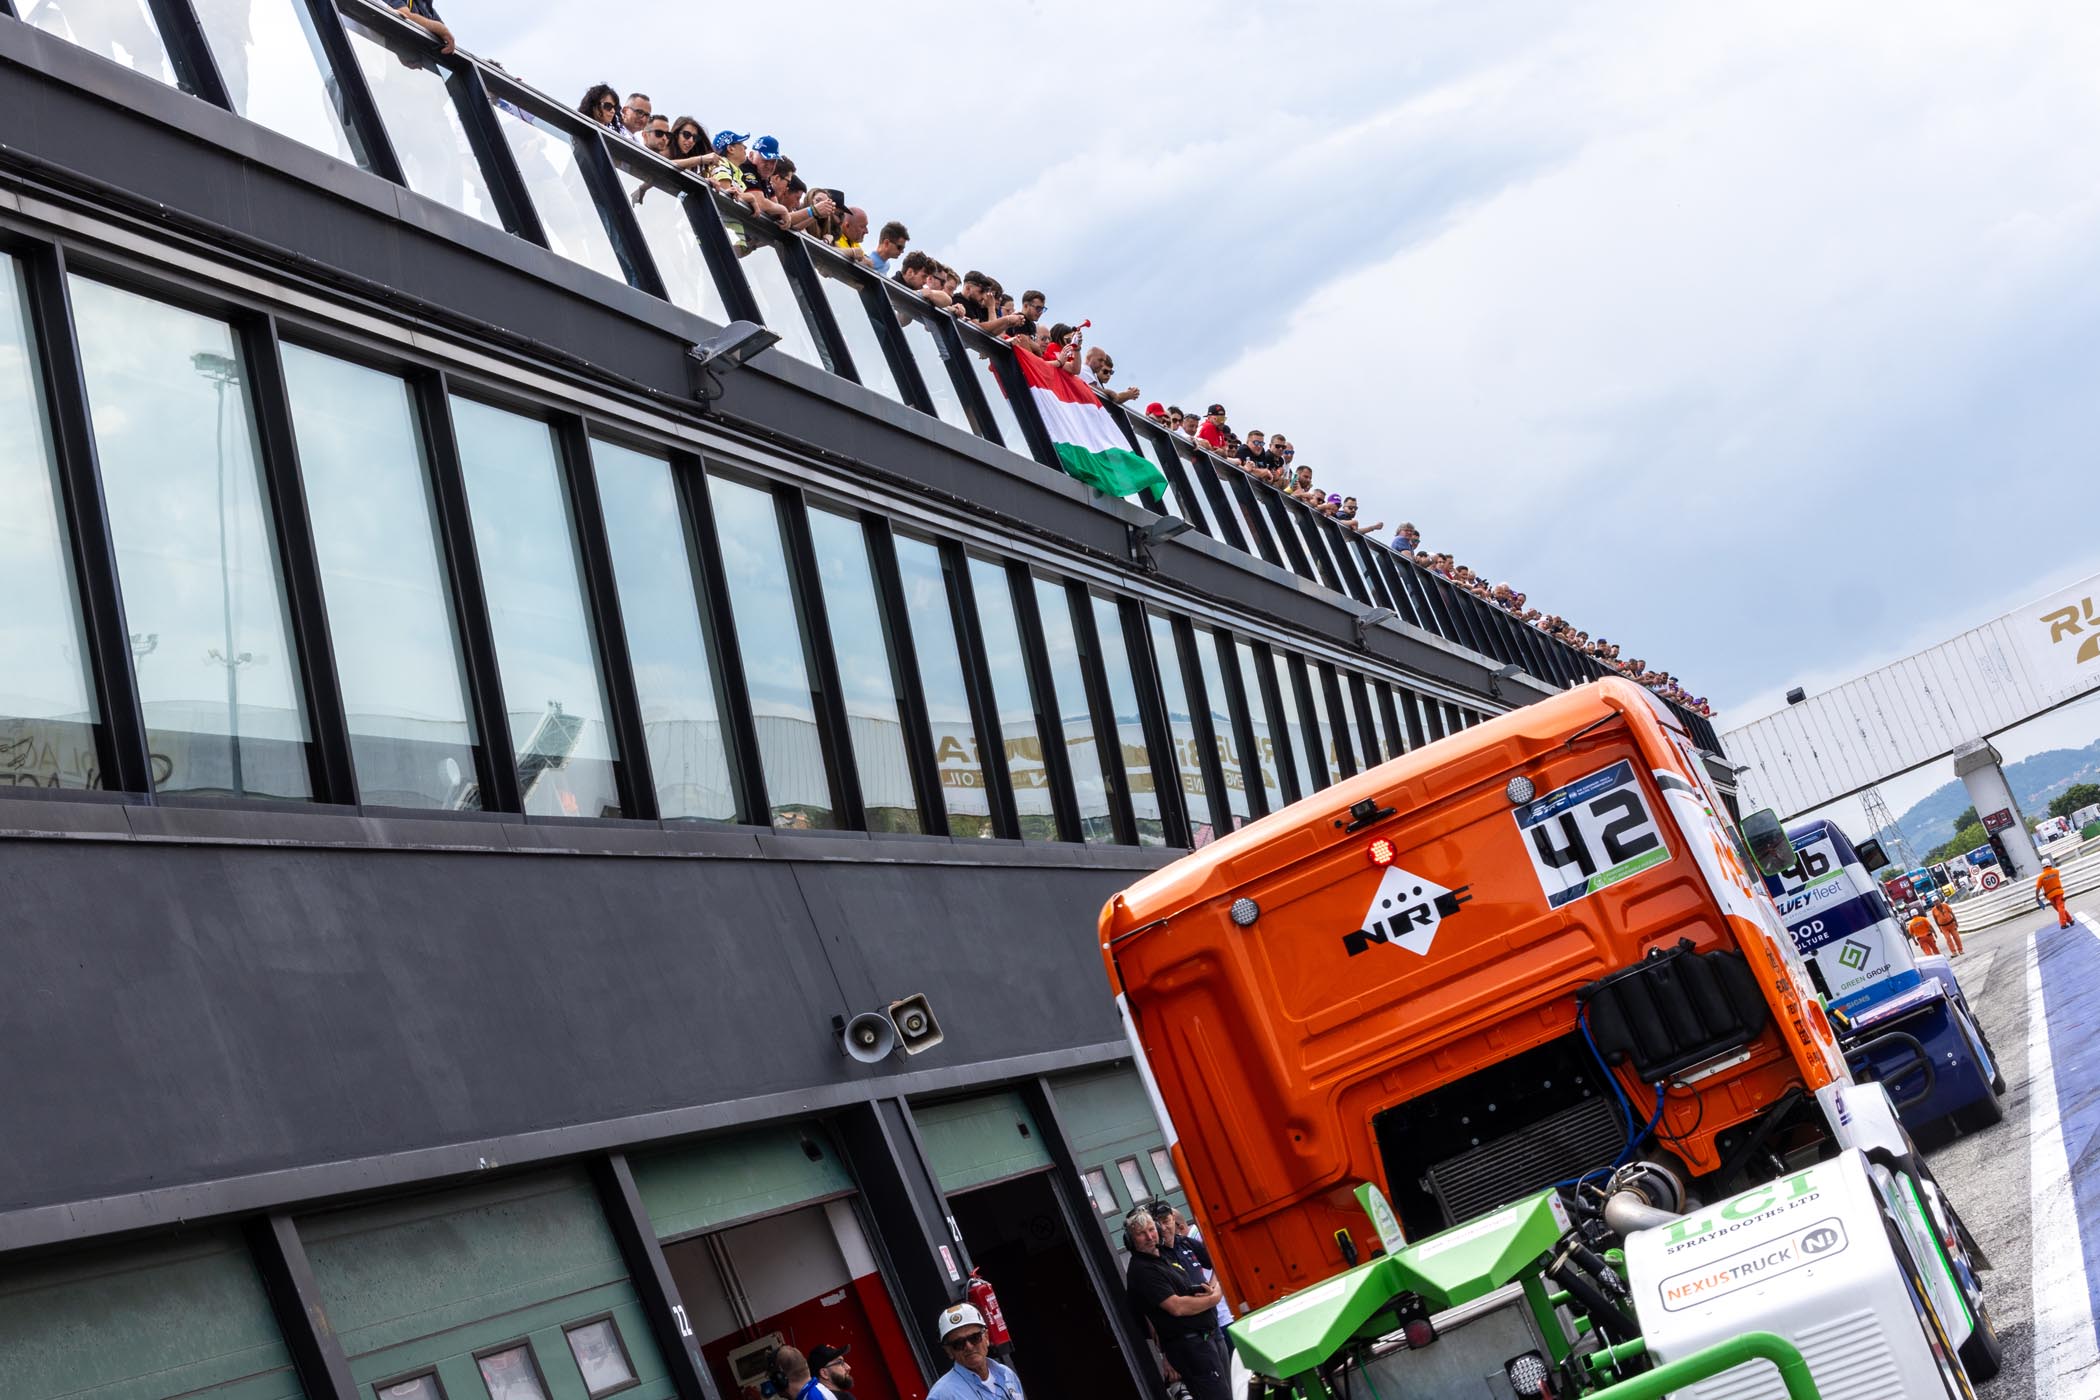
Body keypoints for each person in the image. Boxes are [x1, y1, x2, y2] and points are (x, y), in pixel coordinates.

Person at [1124, 1206, 1229, 1400]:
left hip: (1208, 1337)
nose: (1149, 1237)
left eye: (1151, 1230)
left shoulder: (1163, 1257)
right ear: (1130, 1240)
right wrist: (1213, 1298)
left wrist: (1210, 1289)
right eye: (1141, 1234)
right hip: (1191, 1348)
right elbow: (1177, 1307)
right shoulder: (1142, 1270)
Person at [927, 1303, 1023, 1400]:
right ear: (949, 1351)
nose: (969, 1347)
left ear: (986, 1337)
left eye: (974, 1338)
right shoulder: (942, 1395)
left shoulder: (1006, 1374)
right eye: (958, 1343)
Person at [2037, 859, 2072, 929]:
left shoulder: (2041, 877)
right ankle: (2065, 923)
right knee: (2060, 908)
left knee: (2059, 909)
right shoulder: (2056, 872)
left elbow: (2038, 888)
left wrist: (2037, 897)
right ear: (2050, 864)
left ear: (2042, 866)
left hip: (2050, 896)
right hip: (2058, 893)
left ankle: (2069, 921)